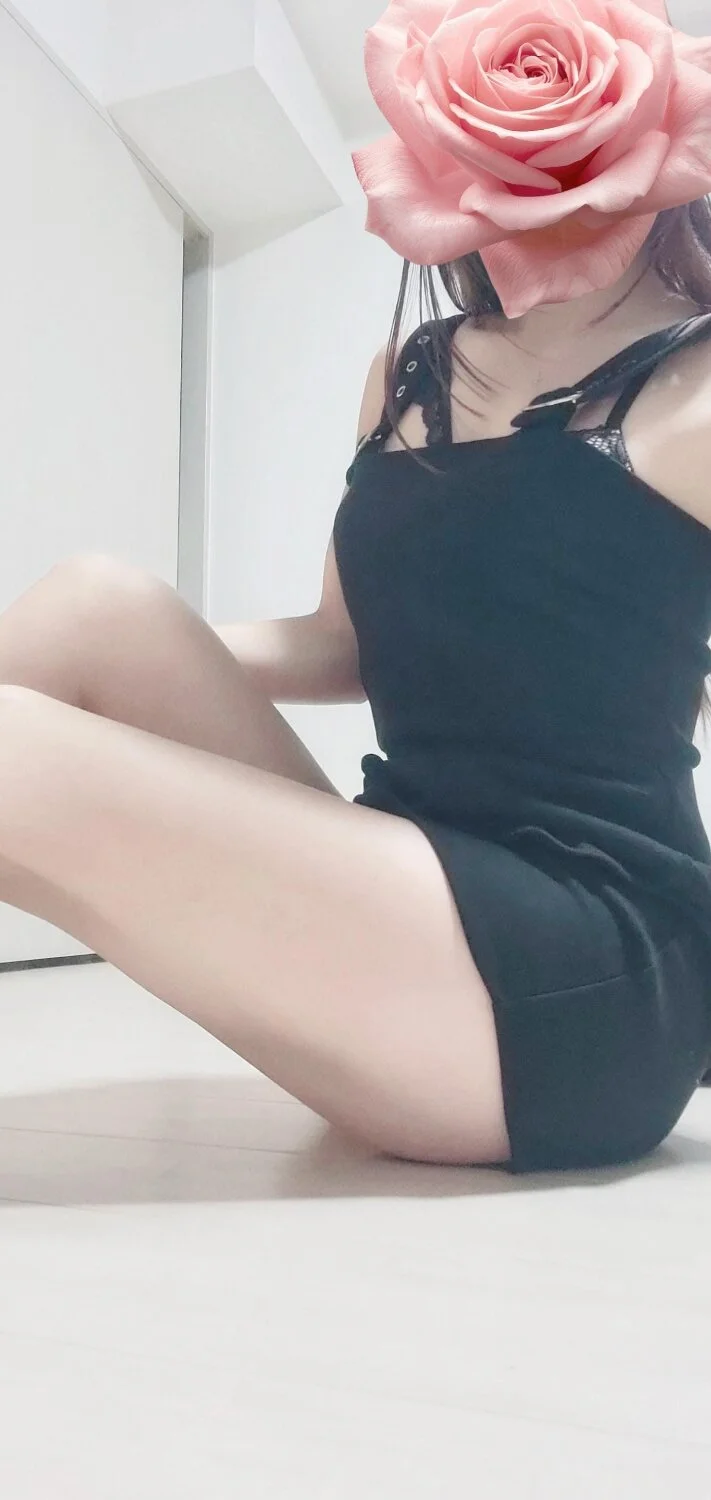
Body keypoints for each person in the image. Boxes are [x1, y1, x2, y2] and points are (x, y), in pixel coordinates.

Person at [2, 0, 711, 1175]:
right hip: (414, 886)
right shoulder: (411, 374)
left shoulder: (698, 384)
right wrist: (129, 683)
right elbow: (341, 644)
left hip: (585, 968)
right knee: (97, 603)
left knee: (16, 751)